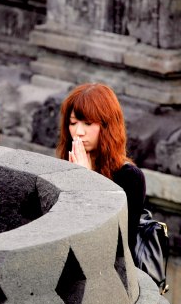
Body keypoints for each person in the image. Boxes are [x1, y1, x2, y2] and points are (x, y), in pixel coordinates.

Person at [56, 83, 145, 259]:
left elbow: (119, 244)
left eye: (88, 123)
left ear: (106, 126)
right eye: (73, 123)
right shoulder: (65, 166)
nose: (78, 132)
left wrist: (88, 182)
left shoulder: (130, 178)